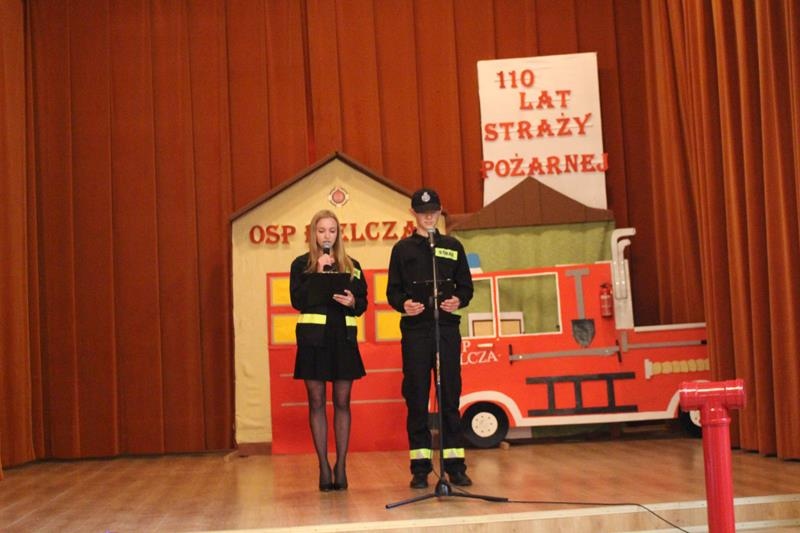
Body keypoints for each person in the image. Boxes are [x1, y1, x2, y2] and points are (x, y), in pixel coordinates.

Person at [386, 188, 474, 489]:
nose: (428, 217)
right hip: (416, 332)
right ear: (413, 213)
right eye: (423, 212)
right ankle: (421, 468)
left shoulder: (452, 245)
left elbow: (466, 287)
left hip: (446, 329)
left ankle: (455, 466)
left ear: (440, 211)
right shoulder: (402, 249)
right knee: (416, 397)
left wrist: (458, 300)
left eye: (433, 212)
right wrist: (404, 304)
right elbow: (392, 291)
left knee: (450, 396)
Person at [290, 209, 368, 492]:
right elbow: (297, 300)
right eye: (322, 230)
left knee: (343, 401)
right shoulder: (301, 264)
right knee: (316, 401)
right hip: (313, 340)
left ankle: (341, 465)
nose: (327, 236)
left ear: (338, 234)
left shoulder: (352, 265)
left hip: (342, 339)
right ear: (313, 234)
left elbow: (363, 302)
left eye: (332, 231)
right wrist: (318, 272)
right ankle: (323, 466)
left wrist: (352, 302)